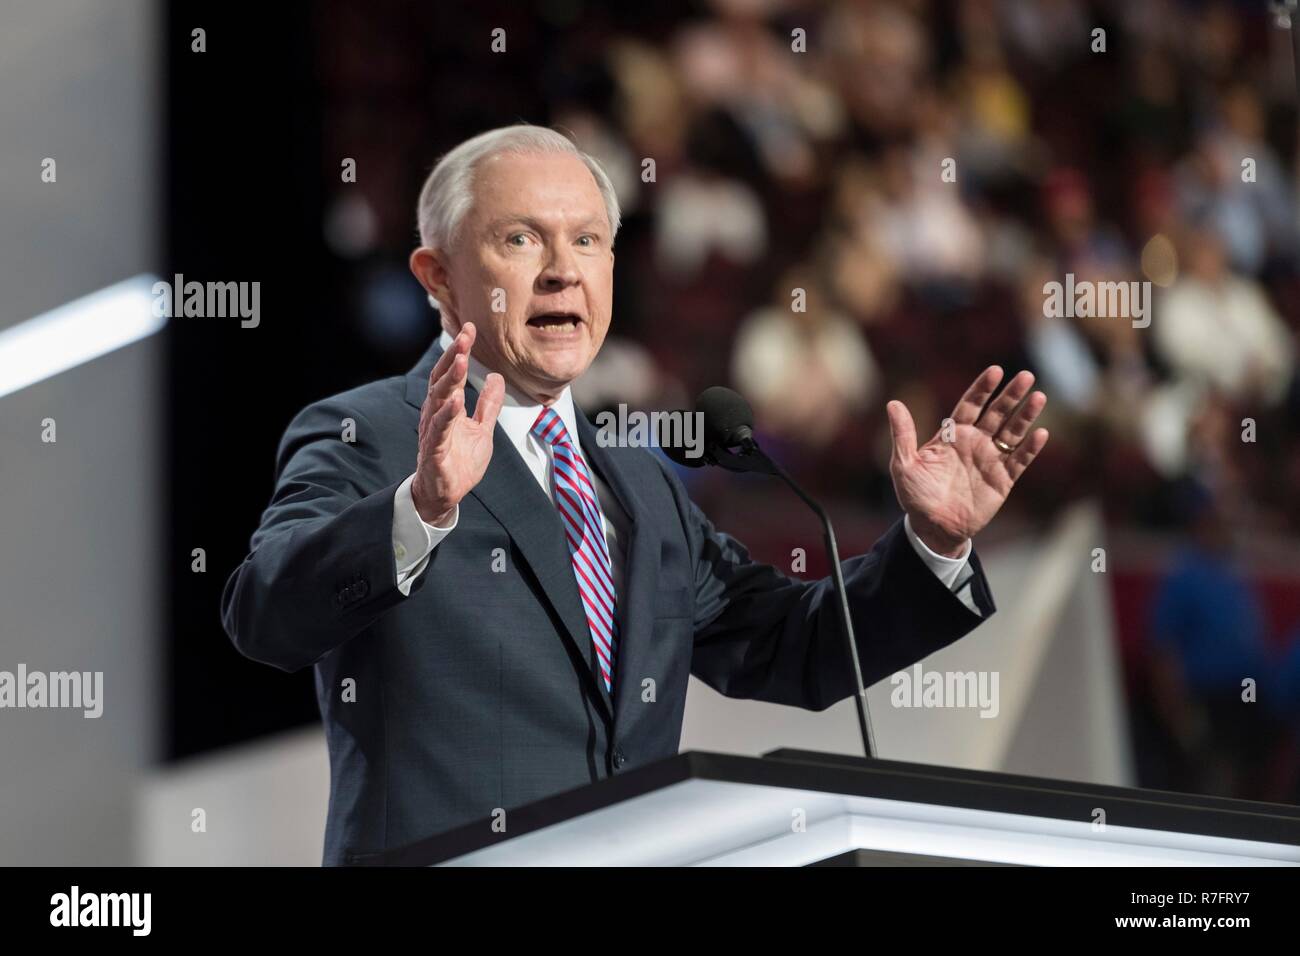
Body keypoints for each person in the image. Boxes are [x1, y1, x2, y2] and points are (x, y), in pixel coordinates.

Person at [220, 124, 1050, 866]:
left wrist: (932, 543)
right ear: (438, 275)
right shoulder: (367, 432)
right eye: (520, 238)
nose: (561, 272)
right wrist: (423, 510)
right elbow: (265, 615)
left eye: (587, 241)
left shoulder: (638, 478)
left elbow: (791, 647)